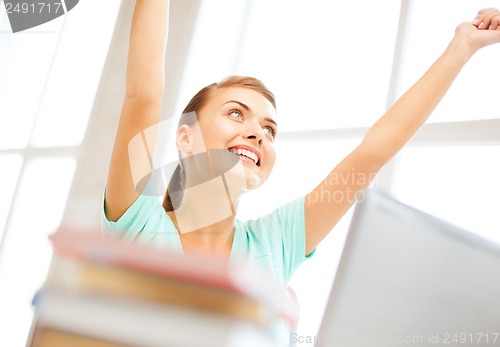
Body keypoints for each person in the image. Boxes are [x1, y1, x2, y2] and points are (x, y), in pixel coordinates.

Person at [102, 0, 500, 289]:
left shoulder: (274, 243)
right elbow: (144, 93)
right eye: (237, 114)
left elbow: (372, 154)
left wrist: (461, 47)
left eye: (270, 129)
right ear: (185, 137)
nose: (258, 133)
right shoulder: (136, 224)